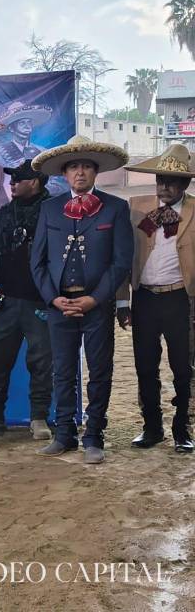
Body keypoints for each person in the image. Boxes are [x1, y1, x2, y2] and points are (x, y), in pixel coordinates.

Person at [30, 135, 132, 464]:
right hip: (60, 306)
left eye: (86, 166)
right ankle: (64, 435)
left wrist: (96, 299)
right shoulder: (48, 208)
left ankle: (94, 436)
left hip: (96, 307)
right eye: (74, 166)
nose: (80, 172)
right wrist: (52, 299)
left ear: (95, 172)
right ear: (64, 173)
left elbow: (121, 262)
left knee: (99, 370)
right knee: (61, 371)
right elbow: (39, 262)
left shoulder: (116, 207)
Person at [117, 144, 195, 453]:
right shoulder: (138, 207)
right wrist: (123, 301)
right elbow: (123, 256)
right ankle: (151, 426)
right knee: (145, 366)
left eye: (171, 182)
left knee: (183, 367)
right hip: (145, 298)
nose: (164, 186)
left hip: (180, 299)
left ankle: (182, 427)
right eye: (160, 180)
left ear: (185, 183)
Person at [0, 159, 53, 440]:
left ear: (34, 182)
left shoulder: (54, 212)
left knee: (41, 362)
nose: (11, 184)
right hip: (7, 298)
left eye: (17, 180)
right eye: (11, 180)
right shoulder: (3, 213)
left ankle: (39, 418)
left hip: (41, 301)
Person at [0, 102, 51, 169]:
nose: (27, 126)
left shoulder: (42, 151)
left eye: (29, 122)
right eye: (22, 123)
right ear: (11, 128)